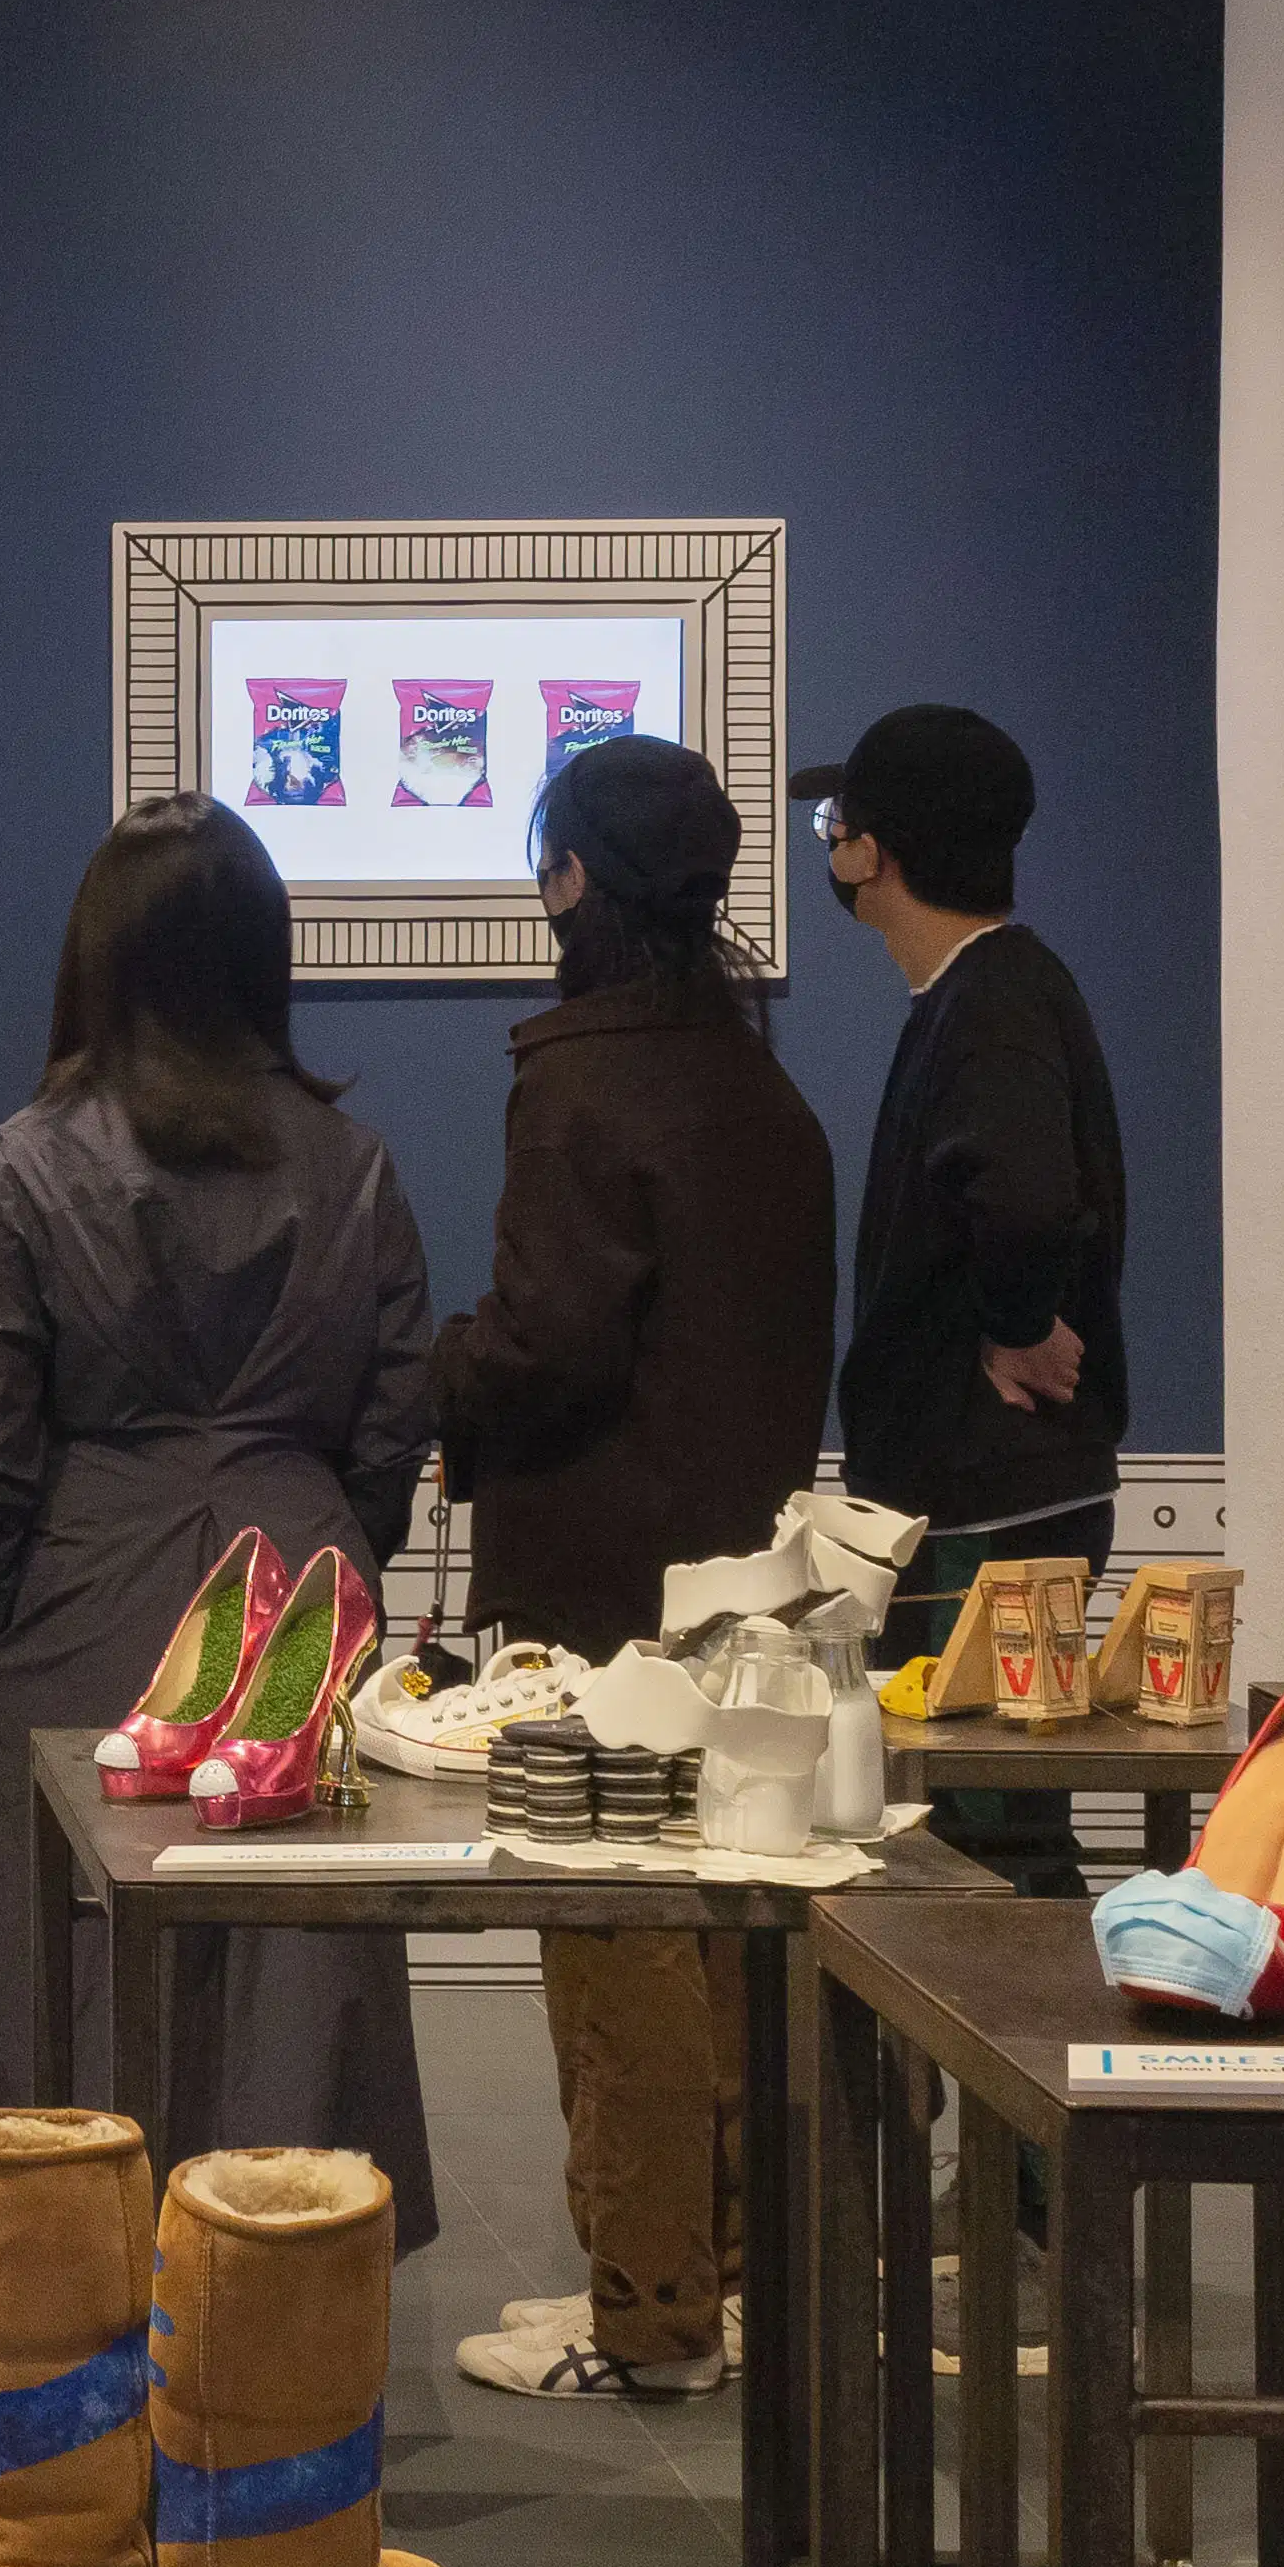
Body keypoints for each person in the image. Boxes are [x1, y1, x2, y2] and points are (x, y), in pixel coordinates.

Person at [0, 795, 439, 2243]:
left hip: (85, 1575)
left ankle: (70, 2267)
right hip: (303, 1578)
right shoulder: (357, 1166)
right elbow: (394, 1416)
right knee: (291, 1966)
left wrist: (5, 1585)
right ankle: (278, 2269)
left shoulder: (25, 1164)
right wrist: (336, 1551)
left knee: (63, 1952)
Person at [424, 737, 836, 2401]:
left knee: (611, 1944)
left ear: (572, 879)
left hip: (591, 1586)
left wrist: (434, 1377)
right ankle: (714, 2285)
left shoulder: (576, 1077)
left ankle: (648, 2312)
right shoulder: (761, 1085)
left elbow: (547, 1338)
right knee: (715, 1929)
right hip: (739, 1579)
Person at [794, 704, 1127, 1899]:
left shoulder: (989, 1004)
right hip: (999, 1490)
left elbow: (1028, 1203)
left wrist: (1019, 1325)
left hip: (986, 1496)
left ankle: (1028, 2072)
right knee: (984, 1819)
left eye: (835, 824)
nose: (829, 849)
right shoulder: (995, 989)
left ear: (869, 853)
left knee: (980, 1838)